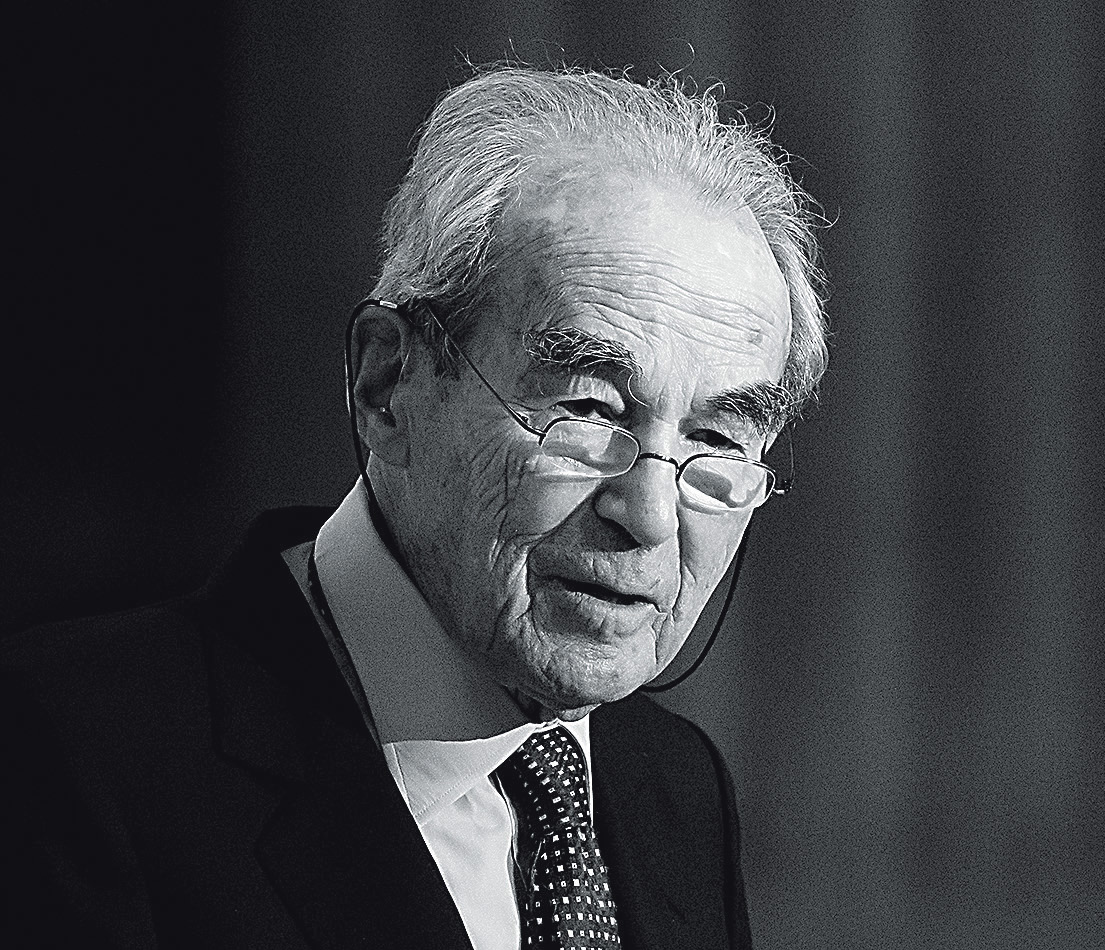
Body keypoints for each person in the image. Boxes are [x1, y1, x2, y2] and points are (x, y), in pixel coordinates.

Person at [2, 64, 828, 949]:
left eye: (716, 438)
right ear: (388, 382)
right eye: (588, 408)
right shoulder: (65, 755)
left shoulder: (671, 785)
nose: (651, 515)